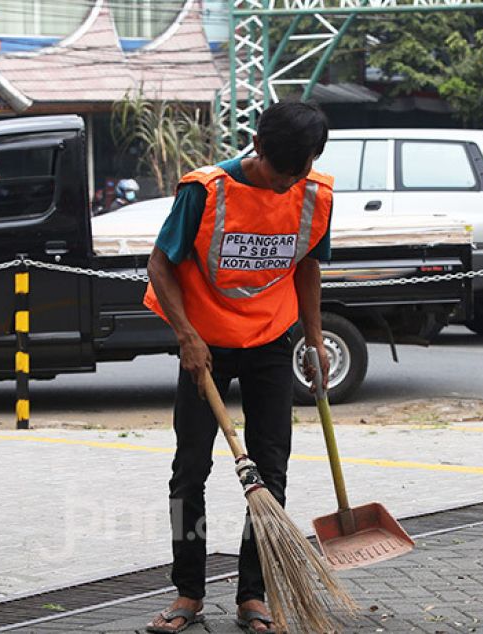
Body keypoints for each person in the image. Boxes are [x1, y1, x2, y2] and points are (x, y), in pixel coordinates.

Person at [143, 102, 333, 634]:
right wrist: (186, 335)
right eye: (280, 172)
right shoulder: (204, 191)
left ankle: (254, 595)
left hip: (271, 339)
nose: (285, 185)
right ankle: (188, 592)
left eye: (298, 172)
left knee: (270, 473)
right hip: (203, 344)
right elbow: (160, 263)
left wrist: (314, 340)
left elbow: (308, 264)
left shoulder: (314, 193)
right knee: (190, 471)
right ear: (258, 146)